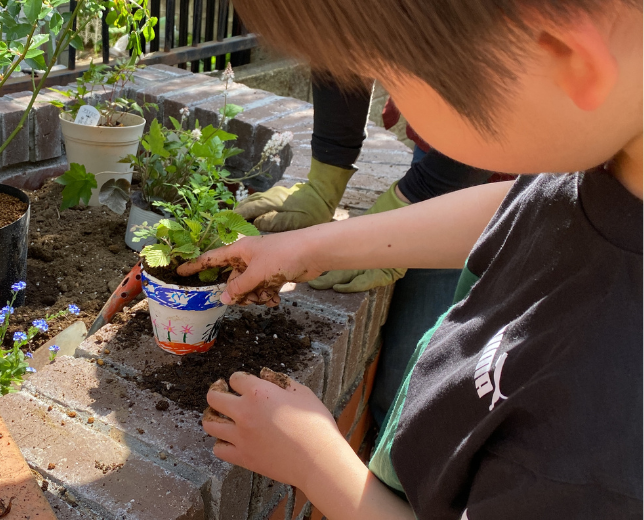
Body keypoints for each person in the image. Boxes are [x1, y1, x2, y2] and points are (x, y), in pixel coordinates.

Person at [180, 0, 643, 518]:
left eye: (389, 72)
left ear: (565, 55)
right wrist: (311, 247)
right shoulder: (612, 160)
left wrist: (316, 464)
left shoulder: (606, 442)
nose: (389, 103)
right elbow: (527, 206)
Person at [236, 74, 494, 427]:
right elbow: (339, 50)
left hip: (502, 154)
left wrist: (420, 198)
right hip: (447, 136)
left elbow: (500, 99)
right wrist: (325, 178)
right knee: (399, 385)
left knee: (417, 388)